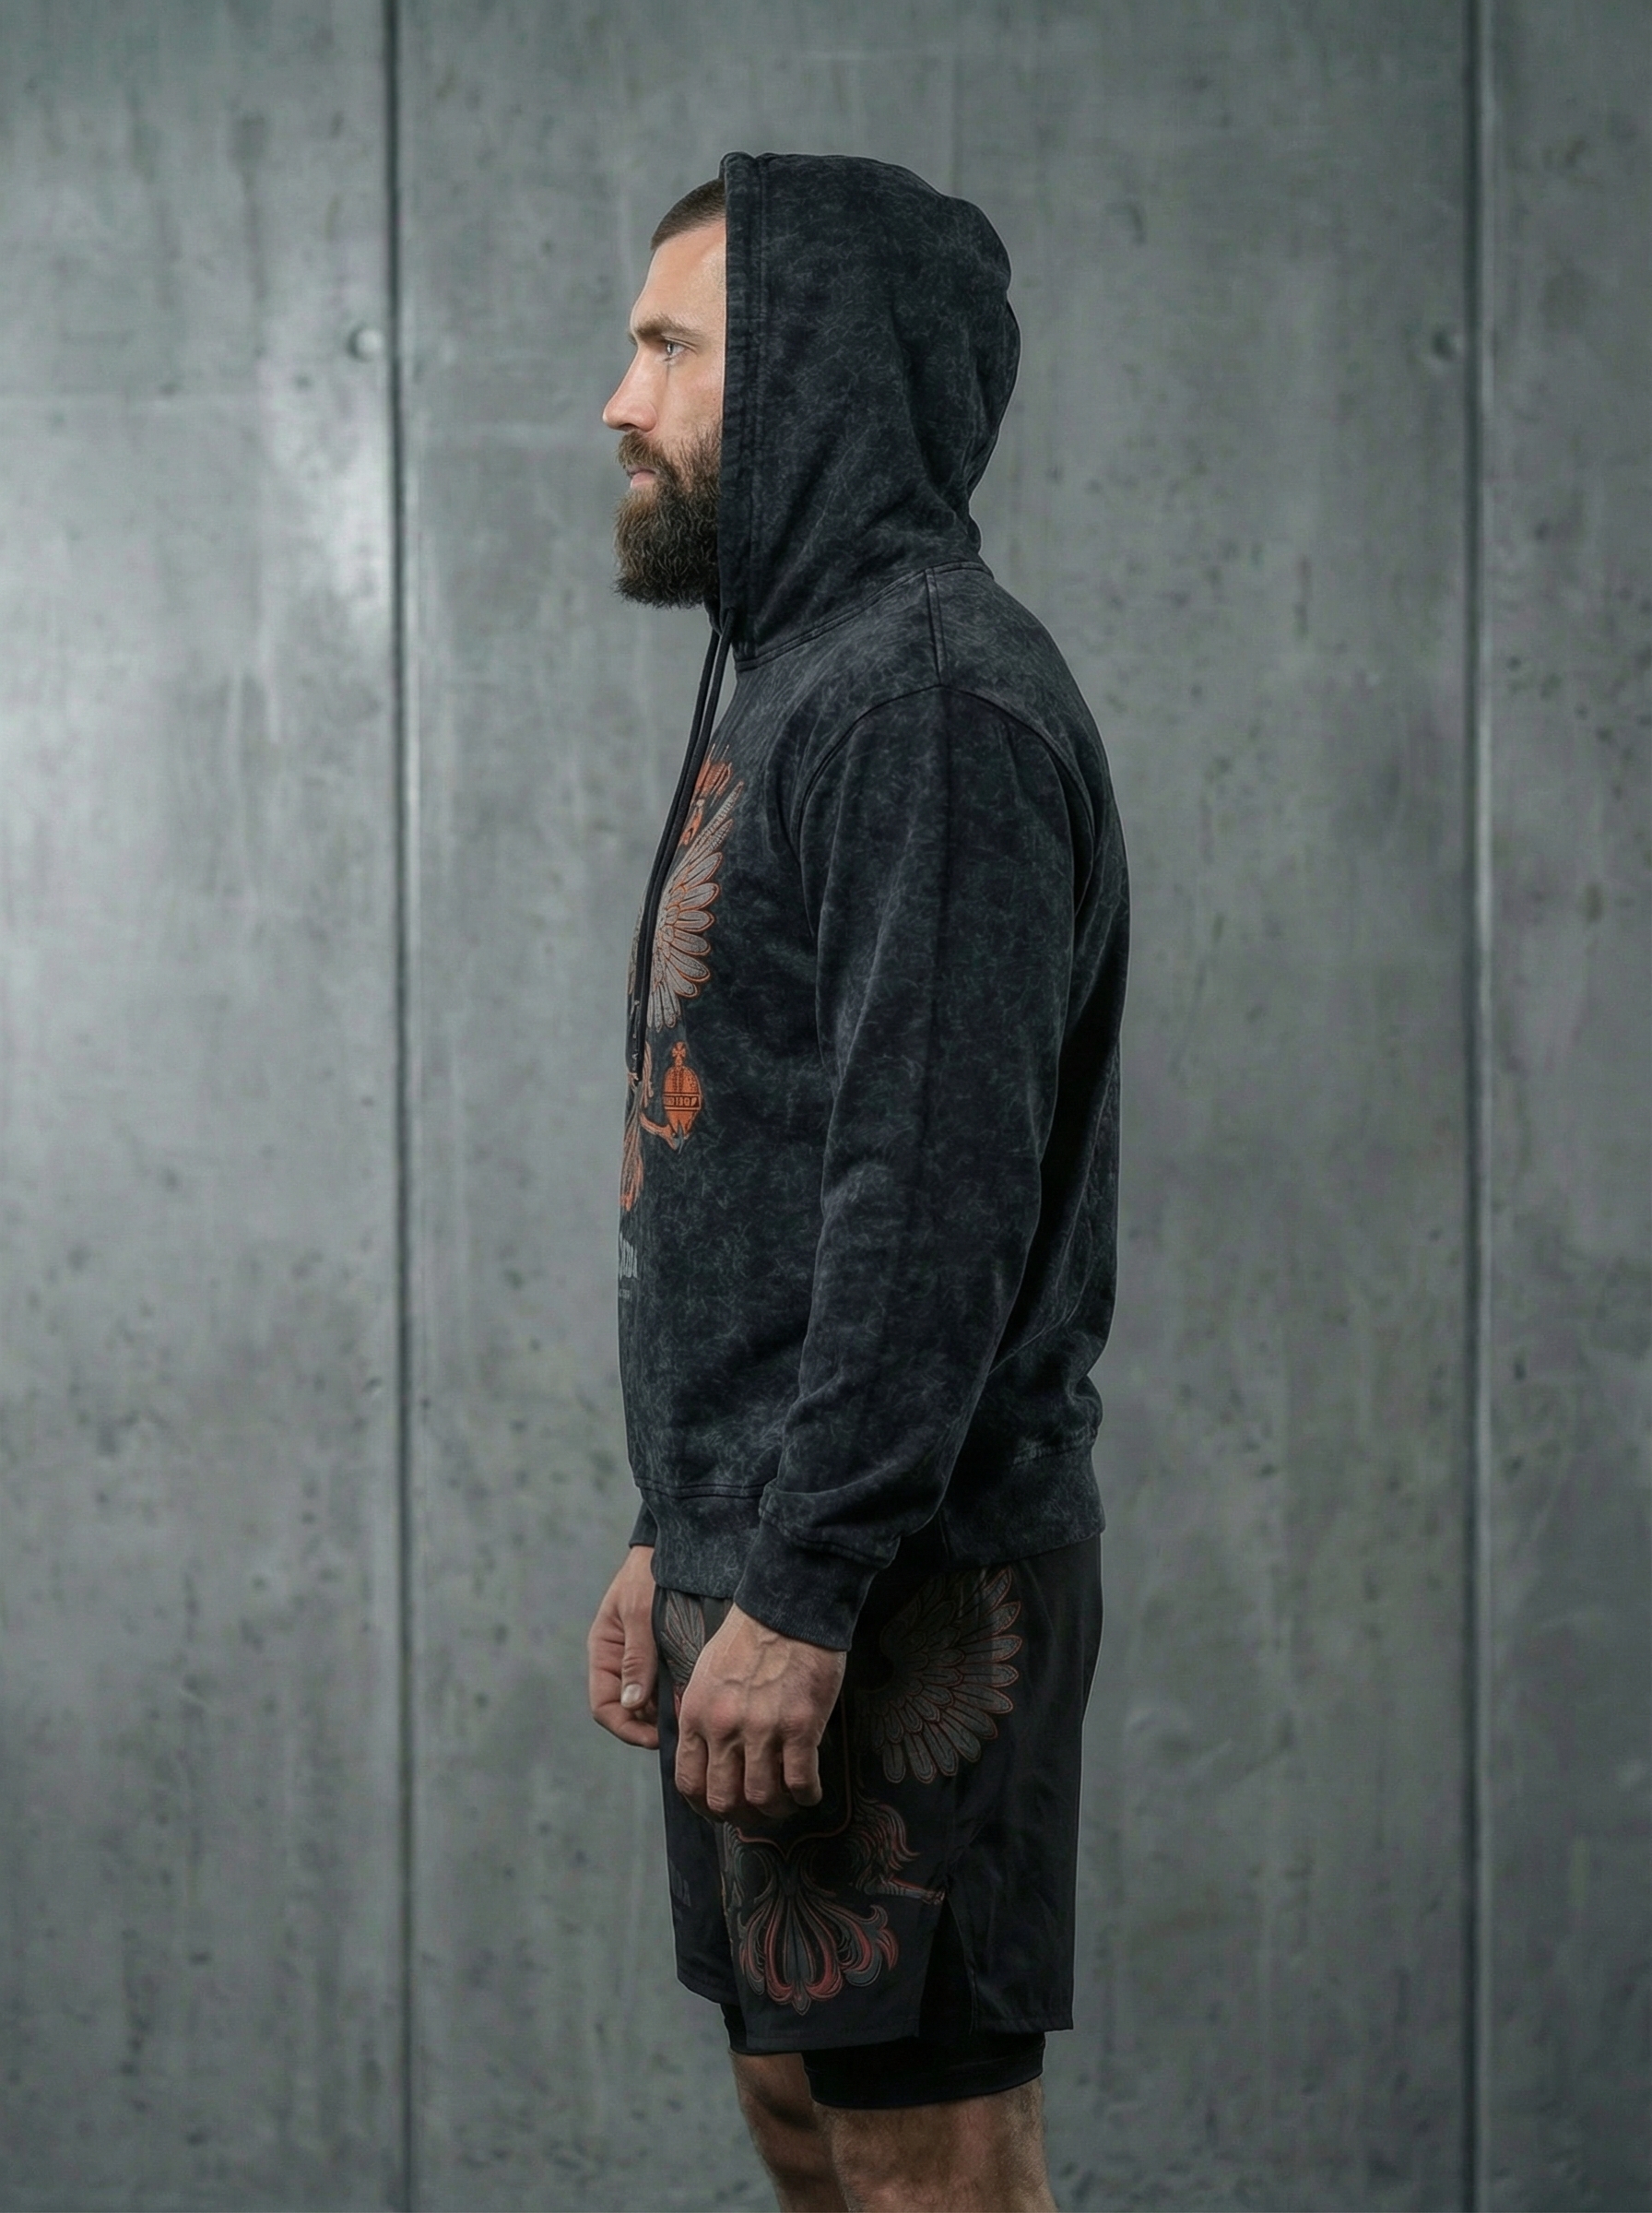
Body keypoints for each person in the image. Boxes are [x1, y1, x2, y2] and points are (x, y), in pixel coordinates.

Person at [586, 153, 1127, 2213]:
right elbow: (760, 1170)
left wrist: (799, 1583)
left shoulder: (928, 701)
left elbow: (928, 1200)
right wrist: (681, 1528)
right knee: (803, 2120)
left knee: (928, 2173)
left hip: (900, 1587)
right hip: (772, 1559)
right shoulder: (807, 679)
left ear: (814, 369)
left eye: (669, 347)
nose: (620, 402)